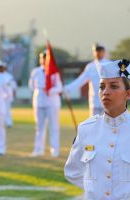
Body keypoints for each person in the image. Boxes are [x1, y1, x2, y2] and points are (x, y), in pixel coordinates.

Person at [64, 59, 130, 199]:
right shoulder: (86, 129)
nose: (105, 92)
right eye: (101, 87)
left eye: (113, 86)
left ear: (128, 94)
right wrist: (96, 189)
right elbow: (72, 171)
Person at [29, 51, 62, 157]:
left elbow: (59, 87)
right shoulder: (35, 71)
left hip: (52, 101)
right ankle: (38, 149)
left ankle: (54, 150)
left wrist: (50, 90)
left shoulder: (54, 72)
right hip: (39, 100)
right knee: (39, 127)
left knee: (53, 126)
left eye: (45, 57)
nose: (43, 60)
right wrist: (41, 90)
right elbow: (31, 86)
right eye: (42, 57)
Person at [63, 43, 110, 116]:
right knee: (94, 125)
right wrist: (68, 89)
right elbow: (81, 80)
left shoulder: (110, 64)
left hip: (108, 101)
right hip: (95, 101)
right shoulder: (90, 66)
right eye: (96, 51)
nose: (97, 53)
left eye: (99, 50)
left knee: (108, 125)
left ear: (104, 52)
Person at [0, 62, 17, 128]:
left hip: (8, 96)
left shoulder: (9, 76)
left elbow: (13, 86)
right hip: (0, 96)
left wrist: (12, 94)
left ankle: (8, 122)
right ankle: (1, 122)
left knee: (7, 109)